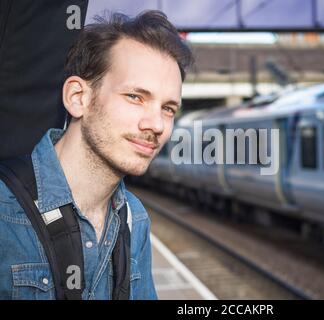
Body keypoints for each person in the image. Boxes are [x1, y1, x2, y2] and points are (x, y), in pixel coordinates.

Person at [0, 10, 193, 300]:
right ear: (79, 98)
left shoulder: (133, 218)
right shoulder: (4, 211)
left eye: (168, 108)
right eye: (135, 97)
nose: (156, 124)